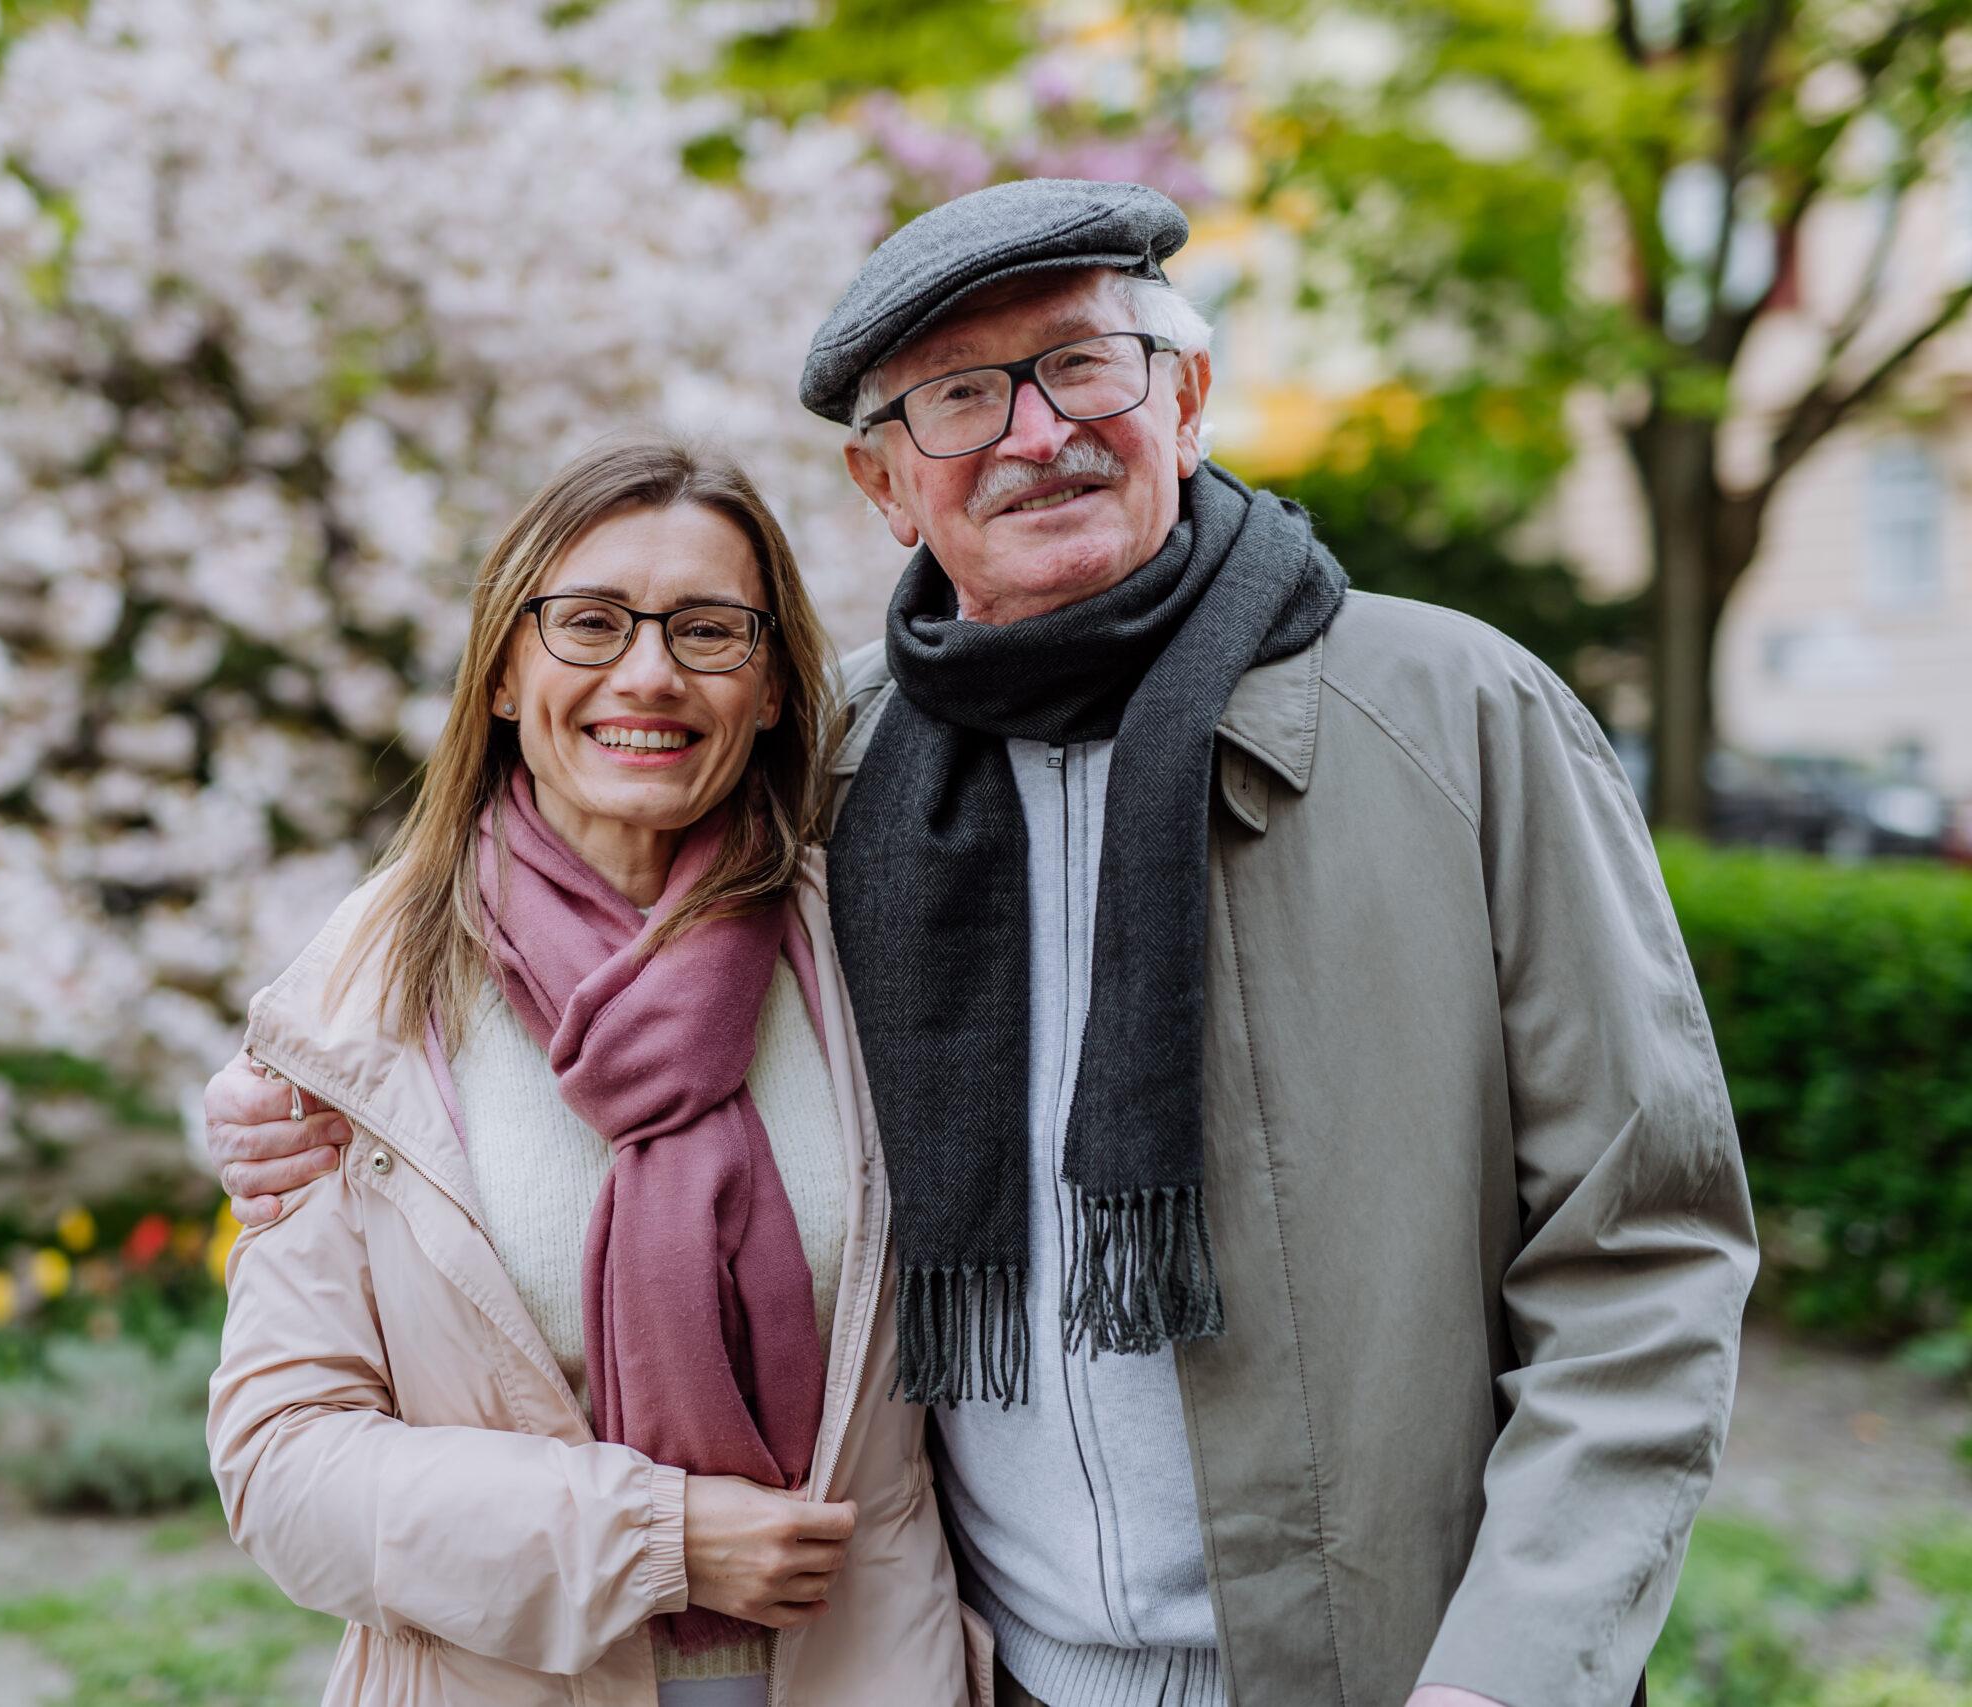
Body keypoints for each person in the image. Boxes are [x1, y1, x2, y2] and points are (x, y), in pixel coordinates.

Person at [208, 181, 1757, 1707]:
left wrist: (1507, 1675)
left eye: (1084, 364)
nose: (1032, 434)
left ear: (1189, 394)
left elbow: (1643, 1250)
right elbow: (554, 909)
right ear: (888, 489)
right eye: (959, 398)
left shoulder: (1455, 721)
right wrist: (275, 1108)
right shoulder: (834, 788)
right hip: (985, 1671)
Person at [206, 435, 988, 1707]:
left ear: (777, 685)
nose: (649, 674)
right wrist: (657, 1539)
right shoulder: (367, 998)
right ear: (505, 672)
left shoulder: (869, 953)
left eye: (708, 631)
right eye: (589, 624)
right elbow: (280, 1468)